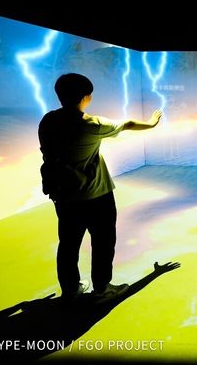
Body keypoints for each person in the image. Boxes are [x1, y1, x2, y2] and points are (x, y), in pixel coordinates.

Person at [38, 73, 162, 303]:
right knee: (103, 242)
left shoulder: (47, 121)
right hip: (96, 196)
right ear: (85, 97)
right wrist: (152, 122)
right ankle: (102, 289)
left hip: (63, 196)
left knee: (68, 244)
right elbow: (128, 124)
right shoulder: (91, 125)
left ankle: (71, 290)